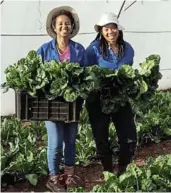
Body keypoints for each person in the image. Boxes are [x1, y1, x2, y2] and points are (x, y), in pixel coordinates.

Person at [37, 6, 85, 192]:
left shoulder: (79, 49)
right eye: (60, 24)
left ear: (72, 27)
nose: (64, 26)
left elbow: (86, 75)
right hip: (51, 104)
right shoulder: (44, 49)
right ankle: (54, 177)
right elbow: (35, 74)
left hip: (72, 104)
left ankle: (69, 176)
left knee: (71, 140)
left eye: (67, 23)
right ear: (54, 27)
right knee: (55, 142)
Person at [85, 12, 137, 176]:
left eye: (113, 28)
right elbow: (85, 73)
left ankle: (123, 168)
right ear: (101, 31)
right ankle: (107, 169)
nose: (110, 32)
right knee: (101, 136)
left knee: (129, 135)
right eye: (106, 29)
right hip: (98, 99)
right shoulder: (93, 49)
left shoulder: (127, 48)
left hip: (120, 97)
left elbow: (128, 70)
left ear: (119, 30)